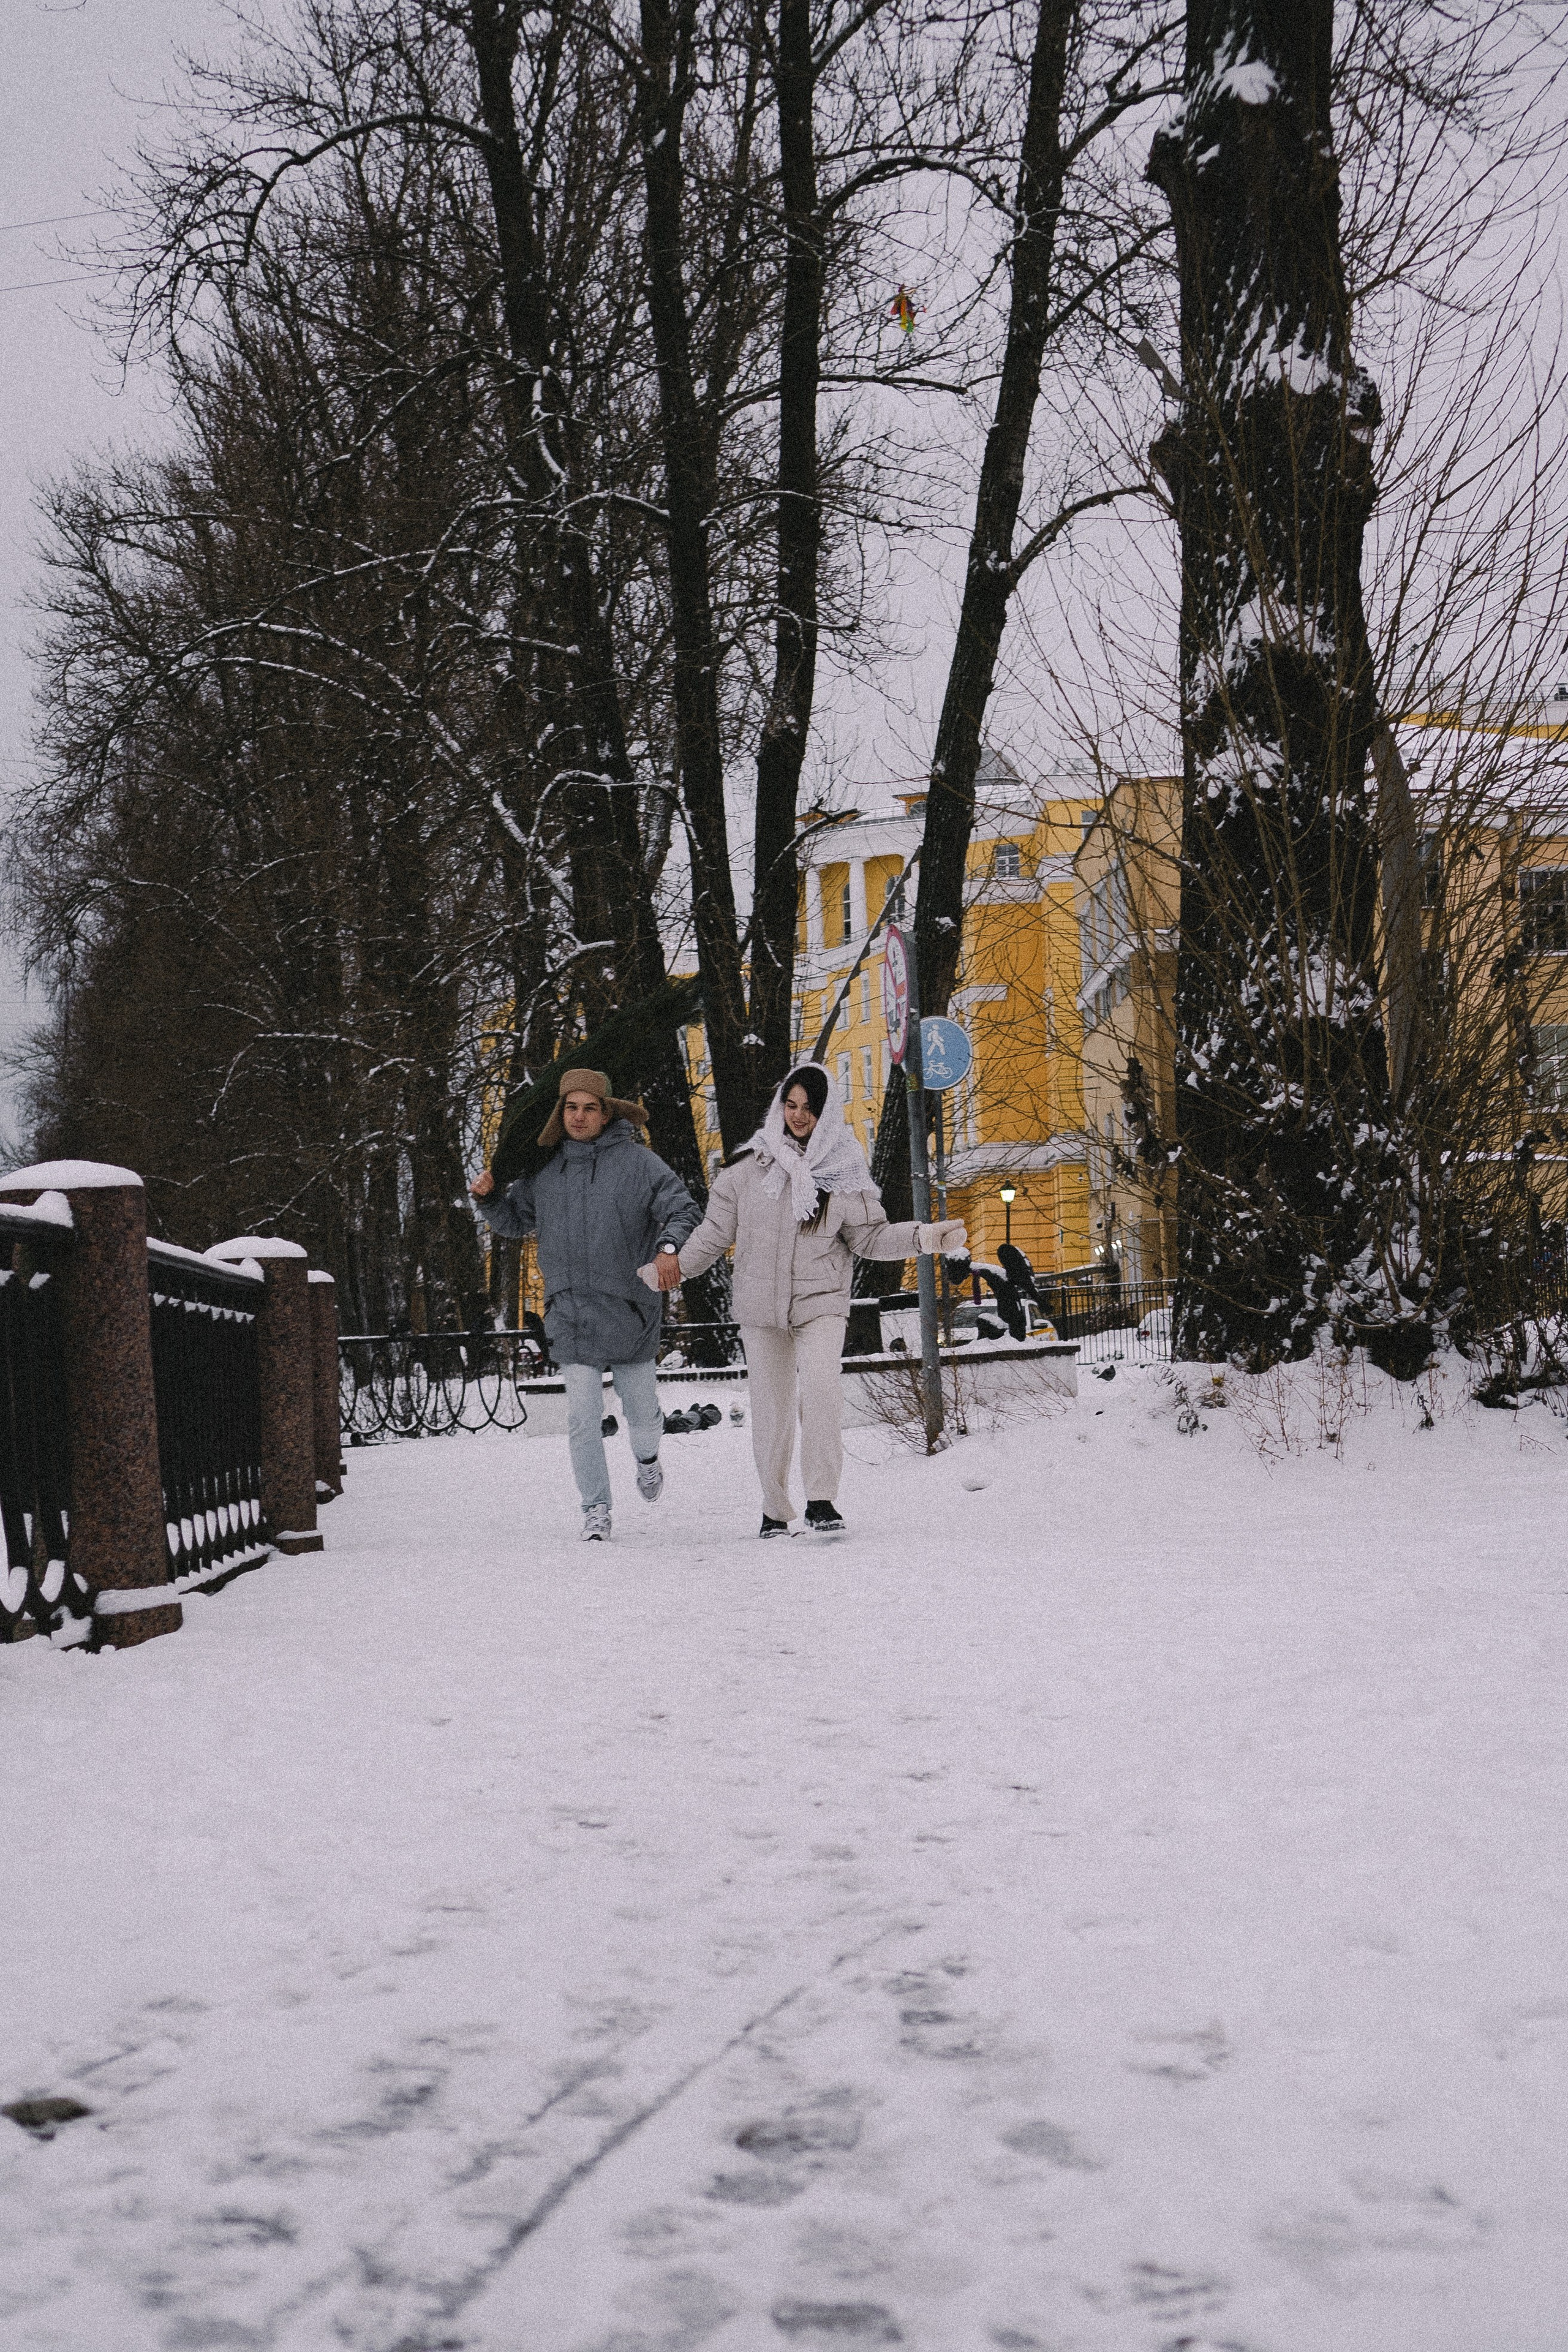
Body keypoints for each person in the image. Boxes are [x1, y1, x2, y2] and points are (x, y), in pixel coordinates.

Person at [660, 1064, 965, 1537]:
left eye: (809, 1108)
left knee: (821, 1391)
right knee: (772, 1409)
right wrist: (673, 1267)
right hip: (761, 1308)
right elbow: (714, 1233)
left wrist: (923, 1237)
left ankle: (821, 1500)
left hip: (820, 1301)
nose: (799, 1116)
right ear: (781, 1106)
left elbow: (871, 1237)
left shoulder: (844, 1171)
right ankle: (774, 1508)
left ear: (827, 1114)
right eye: (792, 1105)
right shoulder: (748, 1169)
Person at [470, 1069, 700, 1540]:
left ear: (606, 1113)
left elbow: (684, 1209)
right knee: (581, 1418)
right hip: (570, 1312)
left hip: (630, 1310)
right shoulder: (545, 1170)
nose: (579, 1117)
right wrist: (489, 1199)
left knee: (642, 1414)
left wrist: (668, 1249)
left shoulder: (639, 1164)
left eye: (589, 1108)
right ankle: (596, 1508)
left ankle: (648, 1457)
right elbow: (514, 1221)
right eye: (571, 1108)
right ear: (561, 1113)